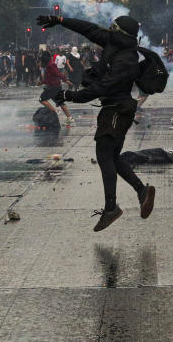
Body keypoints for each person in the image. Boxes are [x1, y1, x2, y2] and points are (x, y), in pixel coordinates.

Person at [37, 12, 155, 232]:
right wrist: (61, 20)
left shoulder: (127, 60)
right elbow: (89, 29)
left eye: (113, 28)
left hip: (118, 110)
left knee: (104, 155)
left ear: (121, 33)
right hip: (114, 109)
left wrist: (71, 96)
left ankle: (112, 207)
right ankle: (141, 191)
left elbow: (103, 88)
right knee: (111, 156)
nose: (108, 30)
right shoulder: (113, 42)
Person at [38, 50, 73, 124]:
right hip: (56, 86)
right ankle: (69, 118)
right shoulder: (50, 65)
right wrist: (41, 82)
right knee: (60, 102)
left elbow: (58, 74)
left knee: (42, 99)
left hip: (52, 87)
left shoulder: (51, 65)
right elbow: (48, 78)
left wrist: (66, 80)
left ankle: (55, 112)